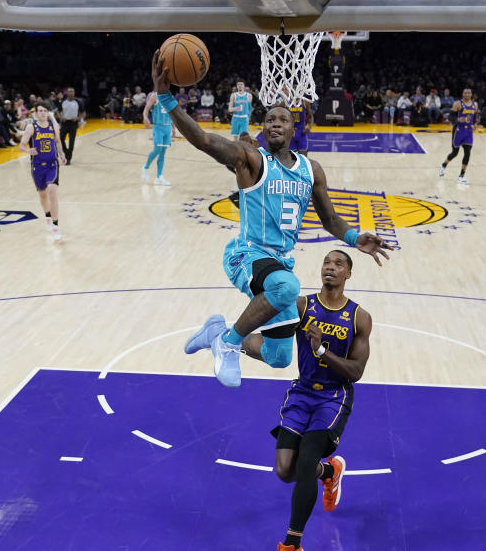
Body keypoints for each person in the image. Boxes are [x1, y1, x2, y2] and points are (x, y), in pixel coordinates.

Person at [149, 52, 392, 388]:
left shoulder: (311, 170)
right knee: (287, 287)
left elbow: (330, 218)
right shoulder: (250, 159)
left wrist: (354, 238)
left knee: (279, 357)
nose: (275, 122)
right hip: (246, 254)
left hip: (277, 264)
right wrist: (165, 98)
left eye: (283, 119)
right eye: (270, 119)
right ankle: (229, 342)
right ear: (263, 129)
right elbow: (204, 141)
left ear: (295, 128)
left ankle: (216, 331)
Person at [258, 249, 373, 551]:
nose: (330, 268)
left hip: (333, 397)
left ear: (348, 274)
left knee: (305, 462)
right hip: (302, 391)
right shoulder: (301, 306)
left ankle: (292, 546)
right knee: (284, 471)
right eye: (326, 262)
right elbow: (271, 321)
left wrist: (323, 350)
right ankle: (330, 470)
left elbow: (356, 372)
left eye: (338, 264)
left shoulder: (359, 318)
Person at [19, 104, 66, 241]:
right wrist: (28, 150)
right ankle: (47, 216)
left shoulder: (53, 126)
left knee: (52, 191)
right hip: (38, 166)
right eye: (40, 111)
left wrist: (62, 154)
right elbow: (21, 146)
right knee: (42, 194)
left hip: (52, 164)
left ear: (48, 113)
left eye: (45, 111)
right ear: (36, 113)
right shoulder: (31, 127)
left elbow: (58, 142)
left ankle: (56, 225)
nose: (43, 113)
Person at [438, 88, 477, 185]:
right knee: (454, 153)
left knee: (467, 153)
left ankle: (461, 176)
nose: (467, 94)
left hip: (468, 132)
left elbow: (475, 118)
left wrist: (475, 125)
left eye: (469, 93)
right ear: (463, 94)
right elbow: (450, 117)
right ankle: (443, 165)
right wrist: (459, 119)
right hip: (458, 131)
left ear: (471, 94)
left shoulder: (475, 104)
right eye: (465, 93)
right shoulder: (457, 104)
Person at [141, 91, 172, 186]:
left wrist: (174, 128)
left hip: (168, 127)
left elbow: (172, 113)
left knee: (163, 153)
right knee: (157, 149)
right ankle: (146, 167)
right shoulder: (155, 96)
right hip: (158, 127)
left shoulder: (169, 96)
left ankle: (159, 177)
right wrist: (145, 117)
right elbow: (146, 109)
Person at [59, 87, 84, 164]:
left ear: (74, 93)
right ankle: (66, 151)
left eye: (72, 91)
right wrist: (61, 117)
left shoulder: (78, 102)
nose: (70, 93)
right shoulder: (63, 101)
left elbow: (83, 113)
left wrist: (78, 118)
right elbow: (58, 112)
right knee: (60, 139)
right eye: (69, 91)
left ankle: (68, 159)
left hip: (73, 124)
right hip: (64, 123)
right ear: (67, 93)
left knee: (71, 141)